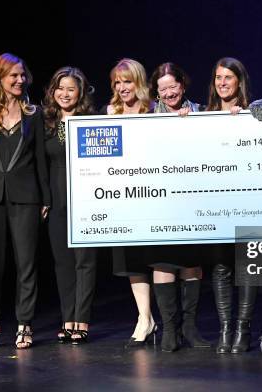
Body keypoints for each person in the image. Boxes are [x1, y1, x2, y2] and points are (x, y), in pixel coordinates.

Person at [0, 53, 50, 350]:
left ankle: (24, 323)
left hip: (26, 197)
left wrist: (45, 198)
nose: (19, 80)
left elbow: (40, 159)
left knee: (26, 263)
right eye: (13, 75)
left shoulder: (33, 114)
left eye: (22, 75)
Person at [147, 62, 210, 352]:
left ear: (182, 86)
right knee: (163, 261)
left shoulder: (200, 111)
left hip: (193, 199)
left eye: (173, 86)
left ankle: (189, 326)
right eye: (163, 89)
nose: (169, 92)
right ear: (156, 93)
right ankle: (169, 328)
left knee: (191, 263)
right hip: (160, 199)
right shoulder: (146, 118)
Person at [42, 66, 98, 345]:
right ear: (53, 91)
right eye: (60, 88)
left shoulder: (91, 121)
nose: (65, 94)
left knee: (84, 261)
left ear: (80, 92)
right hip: (56, 200)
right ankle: (67, 318)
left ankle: (82, 319)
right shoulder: (46, 122)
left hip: (87, 199)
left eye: (71, 89)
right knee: (63, 262)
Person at [206, 57, 258, 353]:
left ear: (239, 81)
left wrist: (249, 119)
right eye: (217, 78)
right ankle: (225, 328)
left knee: (247, 264)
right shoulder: (205, 113)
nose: (222, 83)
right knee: (222, 265)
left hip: (247, 199)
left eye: (228, 77)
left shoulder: (256, 111)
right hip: (216, 201)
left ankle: (243, 328)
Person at [105, 58, 157, 347]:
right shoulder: (110, 112)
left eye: (127, 81)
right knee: (130, 260)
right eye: (117, 82)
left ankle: (163, 321)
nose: (122, 87)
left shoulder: (154, 110)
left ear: (138, 82)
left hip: (153, 194)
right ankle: (144, 317)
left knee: (156, 259)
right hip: (123, 197)